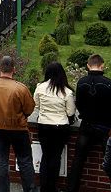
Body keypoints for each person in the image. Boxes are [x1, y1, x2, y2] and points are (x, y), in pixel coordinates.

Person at [0, 56, 36, 192]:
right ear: (14, 69)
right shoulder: (21, 88)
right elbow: (29, 109)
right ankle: (29, 189)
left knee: (2, 161)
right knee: (24, 161)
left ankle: (2, 190)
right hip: (18, 129)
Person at [67, 54, 111, 192]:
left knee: (78, 160)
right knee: (109, 162)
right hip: (104, 128)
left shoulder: (81, 82)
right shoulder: (108, 83)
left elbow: (78, 104)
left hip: (86, 126)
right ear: (102, 65)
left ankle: (71, 189)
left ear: (88, 65)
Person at [33, 62, 75, 192]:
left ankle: (44, 187)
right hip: (60, 127)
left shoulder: (40, 87)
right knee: (56, 157)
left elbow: (36, 104)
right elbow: (70, 112)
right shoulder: (66, 91)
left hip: (44, 125)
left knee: (45, 156)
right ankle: (52, 187)